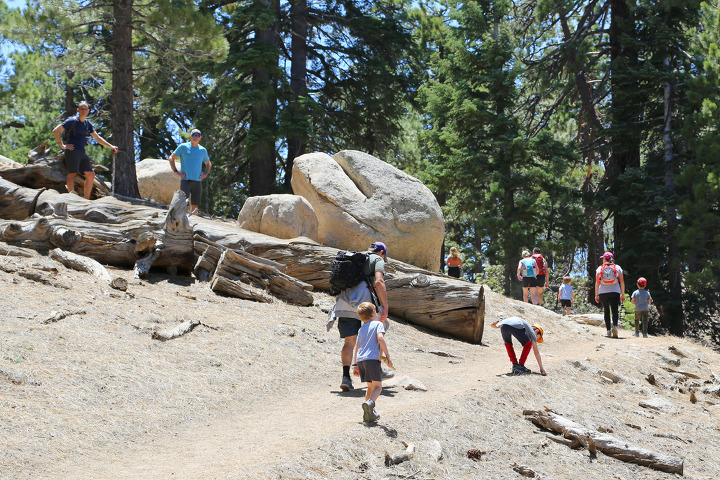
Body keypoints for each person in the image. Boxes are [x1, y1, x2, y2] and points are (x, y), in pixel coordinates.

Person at [326, 241, 390, 392]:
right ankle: (377, 370)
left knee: (349, 342)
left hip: (344, 302)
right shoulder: (377, 259)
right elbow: (379, 282)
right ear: (381, 253)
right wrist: (385, 305)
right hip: (364, 303)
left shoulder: (356, 257)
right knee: (376, 335)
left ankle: (346, 378)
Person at [52, 101, 119, 199]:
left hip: (81, 152)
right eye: (81, 109)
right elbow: (56, 130)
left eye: (85, 109)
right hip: (72, 150)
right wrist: (62, 145)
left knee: (91, 175)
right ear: (78, 110)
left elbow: (97, 138)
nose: (83, 111)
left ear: (88, 111)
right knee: (72, 174)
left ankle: (86, 200)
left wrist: (111, 146)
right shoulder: (72, 121)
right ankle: (71, 198)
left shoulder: (87, 124)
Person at [352, 302, 393, 423]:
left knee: (370, 387)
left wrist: (355, 365)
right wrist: (388, 356)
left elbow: (357, 347)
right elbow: (380, 338)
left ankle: (369, 414)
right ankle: (369, 404)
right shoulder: (378, 324)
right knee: (378, 387)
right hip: (371, 359)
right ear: (374, 313)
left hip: (361, 360)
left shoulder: (361, 329)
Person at [169, 128, 211, 215]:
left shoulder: (203, 150)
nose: (196, 137)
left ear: (200, 138)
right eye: (194, 135)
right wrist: (176, 171)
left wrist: (205, 174)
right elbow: (171, 158)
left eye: (198, 135)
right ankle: (180, 221)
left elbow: (208, 163)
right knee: (183, 203)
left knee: (195, 204)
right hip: (185, 180)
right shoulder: (183, 147)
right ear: (190, 136)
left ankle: (193, 222)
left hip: (197, 181)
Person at [594, 251, 625, 338]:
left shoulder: (600, 268)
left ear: (605, 259)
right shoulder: (617, 267)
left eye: (603, 258)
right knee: (615, 310)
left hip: (603, 292)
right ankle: (614, 326)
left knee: (606, 311)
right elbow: (622, 282)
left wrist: (596, 295)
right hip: (615, 291)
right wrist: (622, 294)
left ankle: (608, 331)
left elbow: (597, 283)